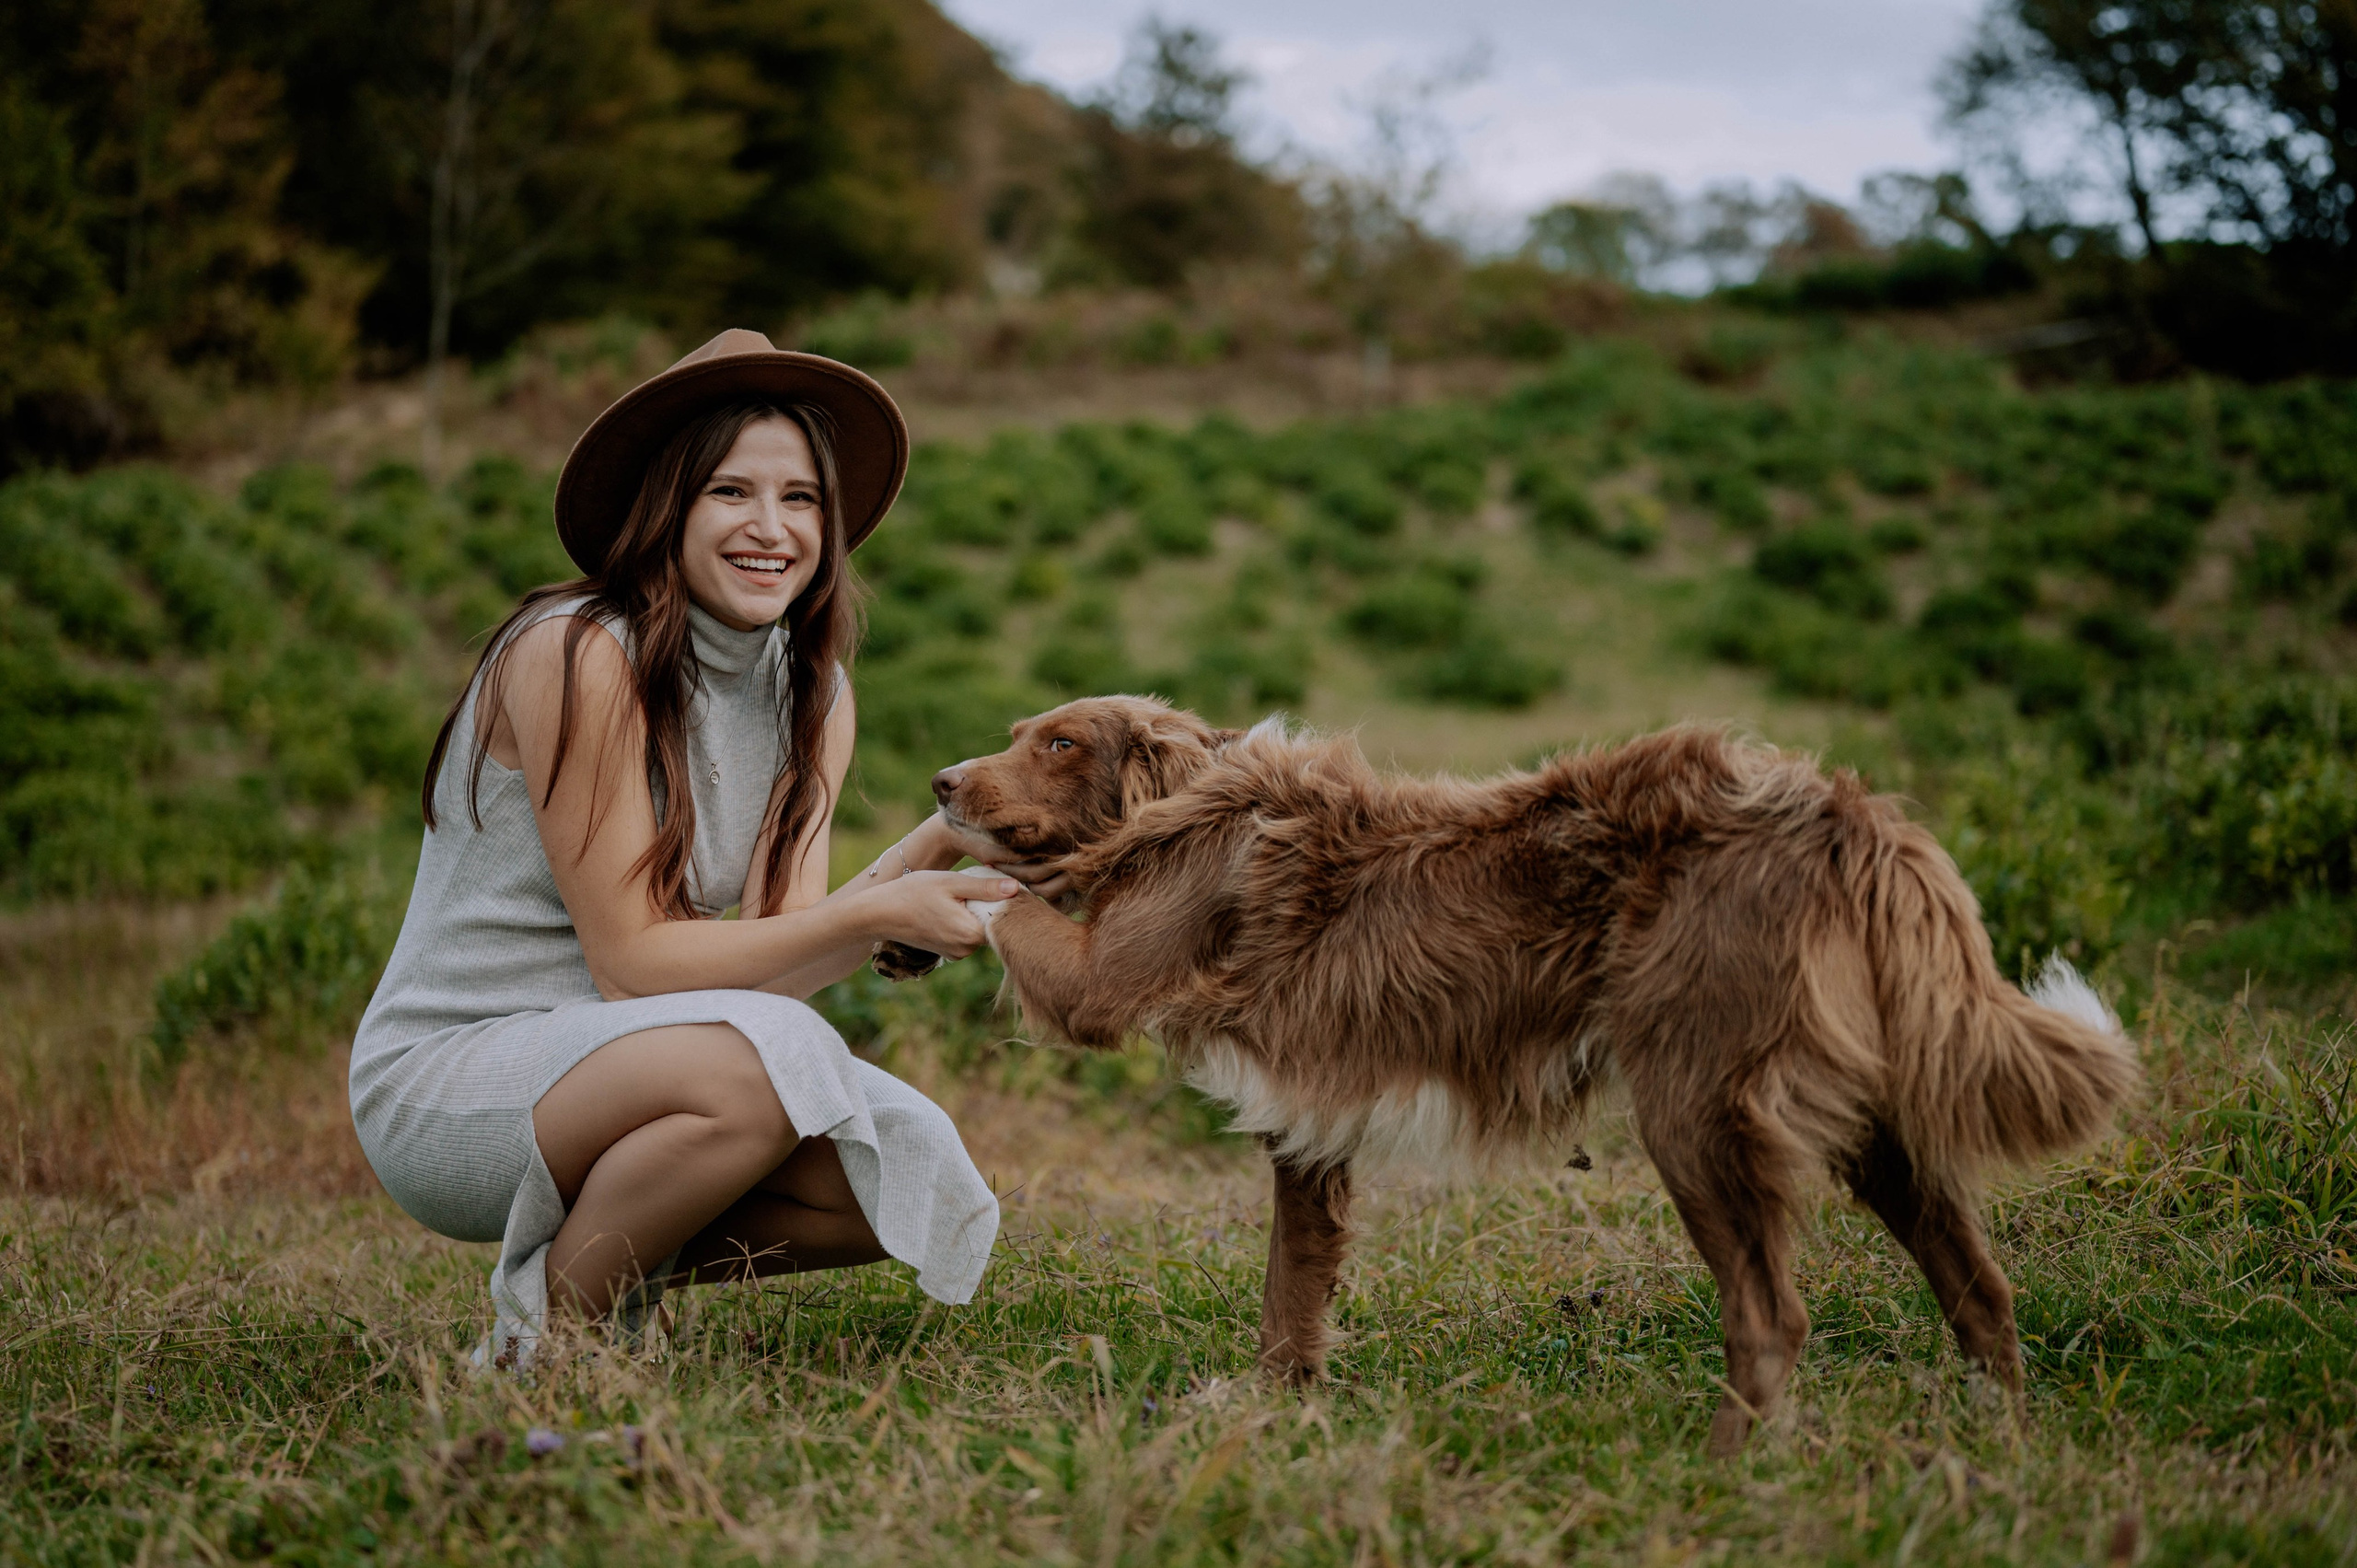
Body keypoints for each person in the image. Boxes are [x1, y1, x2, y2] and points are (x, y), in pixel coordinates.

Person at [350, 330, 1021, 1366]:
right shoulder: (577, 652)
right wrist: (878, 912)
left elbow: (780, 957)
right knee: (756, 1078)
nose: (772, 528)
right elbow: (632, 963)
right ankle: (552, 1345)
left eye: (800, 499)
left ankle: (599, 1263)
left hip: (638, 1061)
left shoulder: (813, 688)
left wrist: (937, 846)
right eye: (730, 492)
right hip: (459, 1074)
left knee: (894, 1170)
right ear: (667, 505)